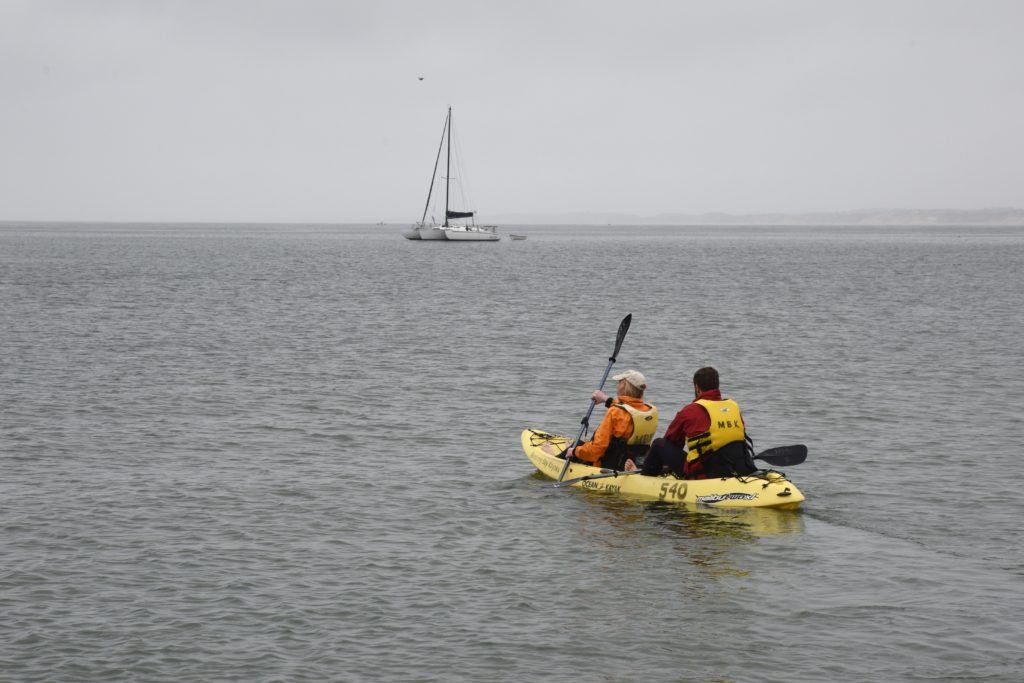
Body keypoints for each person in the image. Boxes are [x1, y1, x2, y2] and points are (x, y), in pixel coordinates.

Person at [631, 366, 756, 479]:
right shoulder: (733, 407)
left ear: (697, 387)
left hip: (705, 474)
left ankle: (644, 478)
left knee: (659, 444)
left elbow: (672, 443)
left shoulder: (690, 411)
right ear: (717, 385)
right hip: (737, 468)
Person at [564, 370, 658, 470]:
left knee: (576, 445)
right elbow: (627, 409)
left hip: (610, 466)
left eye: (619, 383)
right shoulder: (649, 410)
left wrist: (574, 451)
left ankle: (553, 456)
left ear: (624, 386)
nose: (617, 386)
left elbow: (596, 450)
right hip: (635, 461)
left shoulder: (614, 412)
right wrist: (605, 399)